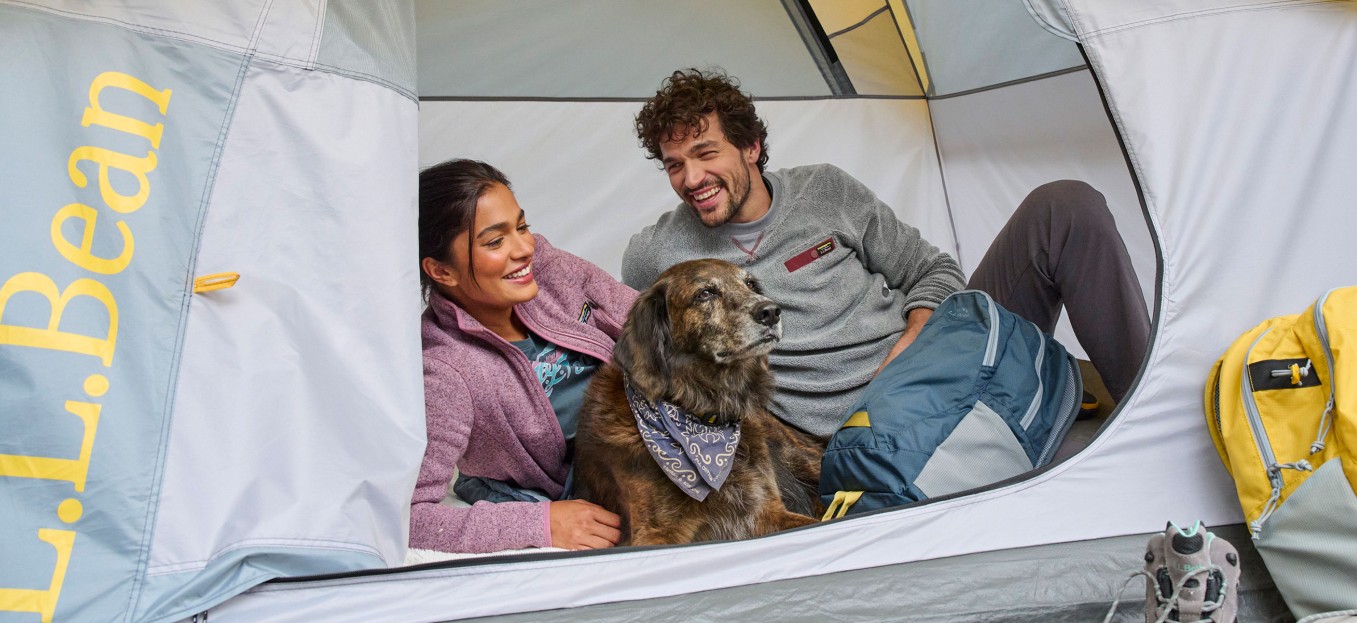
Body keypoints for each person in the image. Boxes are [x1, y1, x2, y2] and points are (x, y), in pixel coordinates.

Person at [621, 69, 1151, 438]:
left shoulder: (825, 190)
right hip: (866, 426)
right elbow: (641, 351)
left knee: (1063, 206)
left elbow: (934, 270)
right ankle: (1048, 385)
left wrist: (916, 337)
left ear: (751, 147)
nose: (691, 179)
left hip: (936, 354)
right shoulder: (658, 255)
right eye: (672, 165)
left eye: (705, 153)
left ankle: (1148, 407)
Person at [411, 159, 627, 553]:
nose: (525, 248)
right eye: (495, 242)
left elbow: (641, 317)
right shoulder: (446, 372)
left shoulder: (547, 268)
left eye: (521, 226)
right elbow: (410, 517)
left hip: (642, 437)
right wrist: (540, 523)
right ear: (441, 271)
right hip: (575, 483)